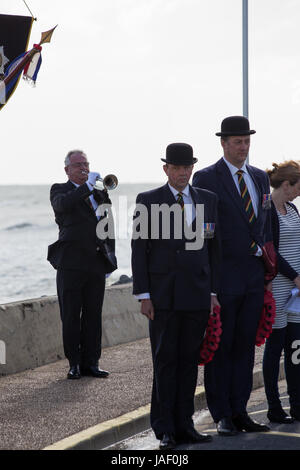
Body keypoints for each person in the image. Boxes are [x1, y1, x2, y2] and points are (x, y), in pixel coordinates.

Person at [131, 143, 221, 449]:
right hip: (163, 298)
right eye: (177, 168)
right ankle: (165, 428)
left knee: (188, 363)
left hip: (197, 296)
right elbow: (139, 252)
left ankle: (185, 425)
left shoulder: (208, 200)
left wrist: (212, 292)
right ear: (166, 169)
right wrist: (144, 294)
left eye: (187, 167)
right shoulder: (149, 200)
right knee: (165, 362)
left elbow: (213, 250)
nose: (183, 173)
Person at [192, 116, 271, 435]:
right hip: (223, 277)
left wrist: (267, 265)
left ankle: (241, 411)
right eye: (237, 142)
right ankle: (222, 413)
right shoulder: (207, 177)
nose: (243, 147)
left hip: (254, 277)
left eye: (247, 141)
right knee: (220, 347)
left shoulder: (261, 177)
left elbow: (264, 224)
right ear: (223, 144)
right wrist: (207, 282)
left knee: (245, 347)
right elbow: (201, 232)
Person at [47, 150, 117, 380]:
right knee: (70, 315)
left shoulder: (98, 192)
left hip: (96, 262)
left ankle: (92, 363)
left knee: (93, 315)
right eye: (78, 165)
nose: (83, 168)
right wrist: (86, 187)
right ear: (67, 169)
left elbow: (108, 225)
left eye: (85, 164)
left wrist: (110, 258)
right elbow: (64, 206)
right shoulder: (59, 190)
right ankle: (74, 363)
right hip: (71, 263)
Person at [263, 160, 300, 423]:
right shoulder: (267, 210)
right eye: (298, 187)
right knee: (274, 349)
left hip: (297, 290)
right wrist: (296, 276)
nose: (299, 193)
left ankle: (297, 404)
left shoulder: (293, 209)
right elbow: (272, 251)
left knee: (296, 348)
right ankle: (274, 407)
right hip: (279, 286)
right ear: (286, 185)